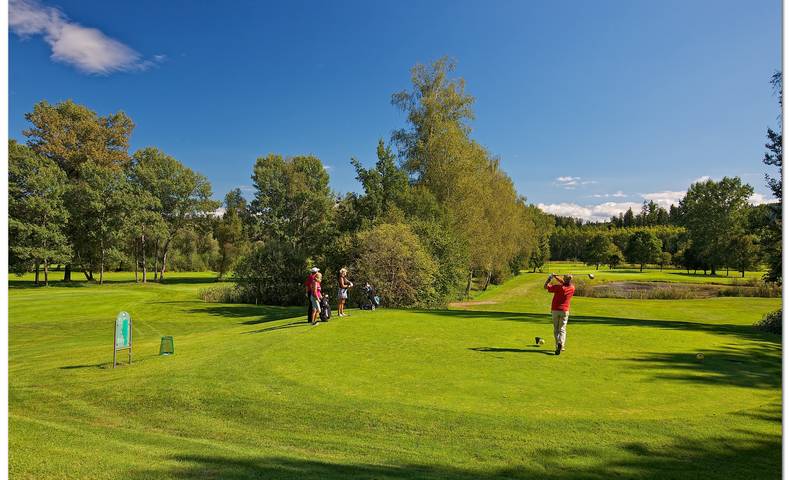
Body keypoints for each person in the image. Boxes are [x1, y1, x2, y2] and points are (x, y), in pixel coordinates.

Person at [544, 273, 575, 355]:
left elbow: (545, 286)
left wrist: (550, 278)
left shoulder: (558, 287)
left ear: (564, 279)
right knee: (562, 329)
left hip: (555, 310)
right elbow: (564, 283)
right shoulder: (572, 288)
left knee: (556, 330)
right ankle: (561, 345)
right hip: (565, 311)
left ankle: (558, 344)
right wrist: (556, 277)